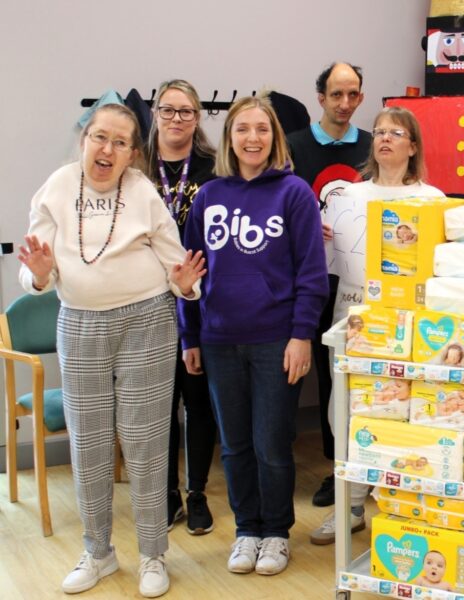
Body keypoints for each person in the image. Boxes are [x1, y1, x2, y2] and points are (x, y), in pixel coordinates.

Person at [18, 103, 205, 598]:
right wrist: (38, 273)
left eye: (120, 143)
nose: (108, 150)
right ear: (84, 140)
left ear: (132, 153)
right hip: (78, 324)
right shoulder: (57, 187)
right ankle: (97, 551)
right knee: (89, 443)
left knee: (145, 442)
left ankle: (152, 554)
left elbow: (176, 266)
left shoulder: (142, 192)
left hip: (146, 321)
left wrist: (186, 285)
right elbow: (36, 272)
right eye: (100, 138)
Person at [180, 96, 327, 576]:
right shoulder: (207, 196)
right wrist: (191, 337)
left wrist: (302, 335)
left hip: (275, 341)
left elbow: (312, 273)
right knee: (236, 443)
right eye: (242, 129)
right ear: (229, 138)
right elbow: (190, 275)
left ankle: (276, 533)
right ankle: (247, 530)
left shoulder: (294, 193)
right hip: (220, 340)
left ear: (274, 137)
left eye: (262, 129)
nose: (252, 138)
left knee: (271, 442)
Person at [310, 106, 443, 544]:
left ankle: (404, 504)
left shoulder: (433, 200)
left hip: (411, 321)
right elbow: (325, 261)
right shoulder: (345, 196)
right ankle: (349, 508)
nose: (385, 138)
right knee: (342, 412)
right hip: (352, 312)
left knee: (403, 409)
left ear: (413, 145)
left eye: (396, 132)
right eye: (380, 131)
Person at [286, 62, 372, 510]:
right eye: (335, 94)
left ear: (360, 98)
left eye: (352, 94)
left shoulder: (372, 147)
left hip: (356, 281)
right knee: (319, 367)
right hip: (308, 276)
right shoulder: (296, 146)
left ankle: (347, 466)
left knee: (346, 374)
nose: (344, 103)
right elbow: (281, 203)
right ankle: (326, 466)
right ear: (320, 97)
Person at [146, 79, 218, 536]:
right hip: (147, 301)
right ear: (155, 113)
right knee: (159, 404)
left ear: (198, 117)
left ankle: (196, 494)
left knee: (197, 401)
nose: (176, 119)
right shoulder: (134, 166)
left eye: (186, 112)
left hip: (202, 299)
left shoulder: (214, 168)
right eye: (168, 110)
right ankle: (167, 493)